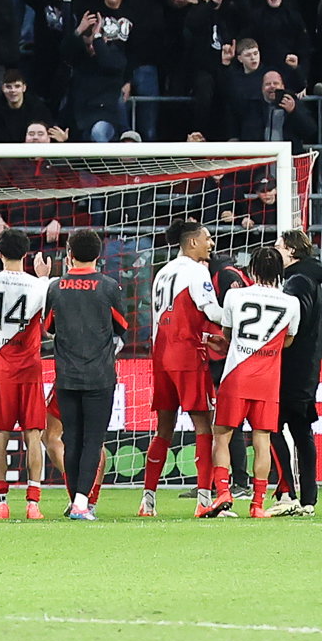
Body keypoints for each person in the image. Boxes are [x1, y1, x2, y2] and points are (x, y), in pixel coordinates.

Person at [138, 219, 226, 518]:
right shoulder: (196, 271)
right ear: (192, 242)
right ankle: (203, 500)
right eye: (207, 238)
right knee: (204, 424)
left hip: (161, 355)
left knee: (164, 427)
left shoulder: (162, 272)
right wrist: (238, 313)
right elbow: (211, 311)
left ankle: (148, 500)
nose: (211, 244)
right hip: (187, 355)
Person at [44, 225, 131, 519]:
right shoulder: (109, 287)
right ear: (98, 255)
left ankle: (76, 501)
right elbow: (122, 326)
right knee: (93, 440)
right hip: (99, 375)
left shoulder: (56, 287)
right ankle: (82, 502)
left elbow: (49, 327)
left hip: (67, 375)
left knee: (71, 439)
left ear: (69, 254)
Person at [213, 245, 302, 520]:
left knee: (222, 435)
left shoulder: (234, 295)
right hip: (267, 380)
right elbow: (289, 340)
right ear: (279, 271)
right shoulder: (291, 302)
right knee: (262, 440)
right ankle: (258, 504)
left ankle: (223, 493)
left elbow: (227, 333)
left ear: (252, 269)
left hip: (236, 375)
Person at [0, 225, 52, 518]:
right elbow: (48, 324)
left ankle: (1, 504)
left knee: (0, 435)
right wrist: (43, 277)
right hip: (30, 367)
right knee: (34, 435)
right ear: (27, 254)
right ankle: (33, 503)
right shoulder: (40, 286)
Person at [275, 230, 322, 512]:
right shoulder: (310, 278)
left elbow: (294, 321)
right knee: (301, 429)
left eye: (279, 246)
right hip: (307, 365)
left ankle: (287, 492)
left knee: (271, 428)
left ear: (292, 251)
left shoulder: (297, 281)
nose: (275, 250)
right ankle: (309, 496)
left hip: (290, 365)